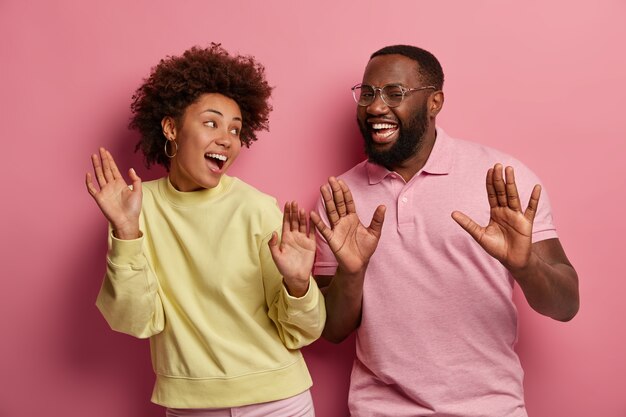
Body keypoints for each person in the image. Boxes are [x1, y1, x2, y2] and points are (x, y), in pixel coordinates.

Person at [310, 45, 579, 417]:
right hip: (380, 409)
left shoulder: (501, 178)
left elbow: (566, 306)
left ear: (434, 102)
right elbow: (333, 330)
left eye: (394, 93)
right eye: (367, 93)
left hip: (491, 408)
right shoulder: (340, 196)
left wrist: (525, 265)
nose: (374, 107)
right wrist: (352, 272)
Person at [85, 44, 325, 417]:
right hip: (190, 406)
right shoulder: (135, 207)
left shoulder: (255, 208)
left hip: (278, 403)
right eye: (211, 123)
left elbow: (302, 332)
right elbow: (133, 320)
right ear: (171, 128)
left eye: (235, 129)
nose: (227, 139)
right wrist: (126, 233)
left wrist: (298, 285)